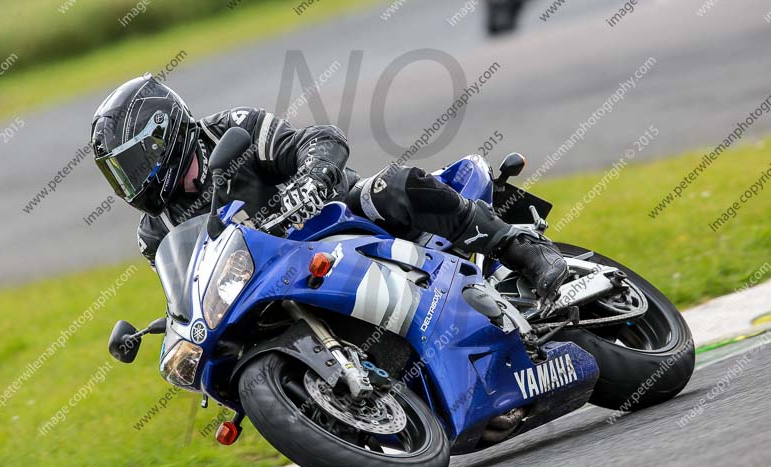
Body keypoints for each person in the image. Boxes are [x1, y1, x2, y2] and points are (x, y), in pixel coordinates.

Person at [90, 74, 567, 300]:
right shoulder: (156, 234)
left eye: (133, 163)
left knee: (392, 187)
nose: (132, 181)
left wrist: (312, 177)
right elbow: (192, 291)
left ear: (162, 135)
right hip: (280, 278)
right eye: (119, 173)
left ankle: (520, 248)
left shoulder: (231, 129)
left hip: (336, 216)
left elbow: (318, 139)